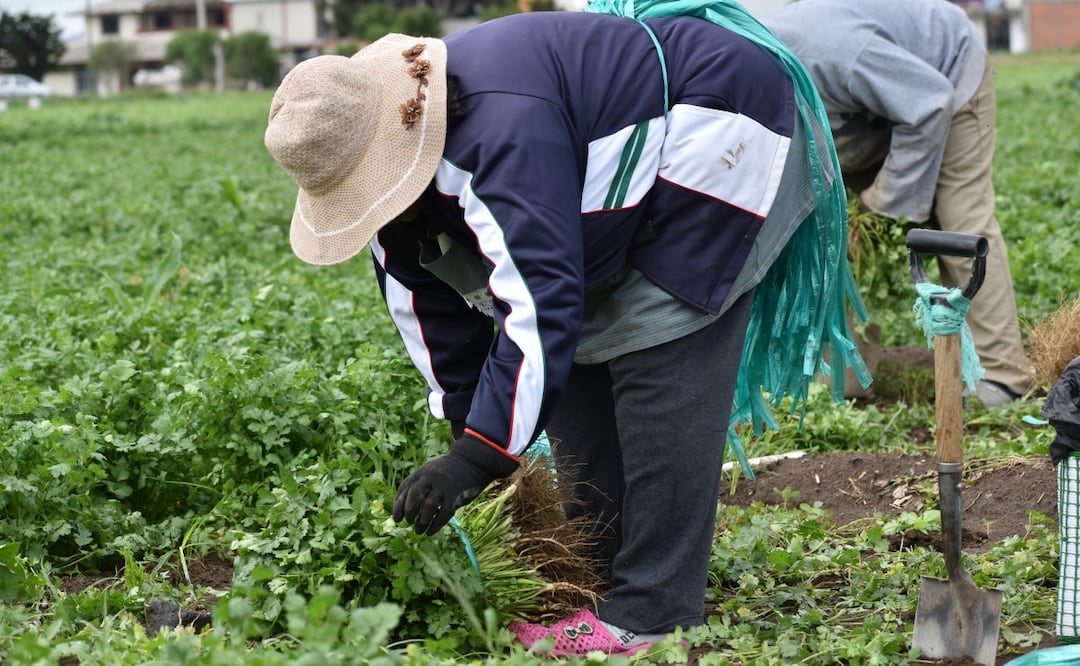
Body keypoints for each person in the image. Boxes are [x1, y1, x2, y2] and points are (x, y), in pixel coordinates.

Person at [264, 8, 862, 657]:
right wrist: (473, 443)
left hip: (714, 123)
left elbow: (540, 304)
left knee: (654, 349)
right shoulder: (394, 216)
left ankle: (656, 608)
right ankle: (600, 573)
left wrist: (478, 457)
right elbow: (436, 329)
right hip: (599, 188)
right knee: (572, 365)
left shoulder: (493, 137)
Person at [764, 0, 1037, 407]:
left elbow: (931, 102)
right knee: (836, 231)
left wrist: (883, 205)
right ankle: (847, 377)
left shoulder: (835, 55)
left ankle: (1002, 376)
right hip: (869, 109)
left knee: (958, 221)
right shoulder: (750, 76)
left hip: (945, 74)